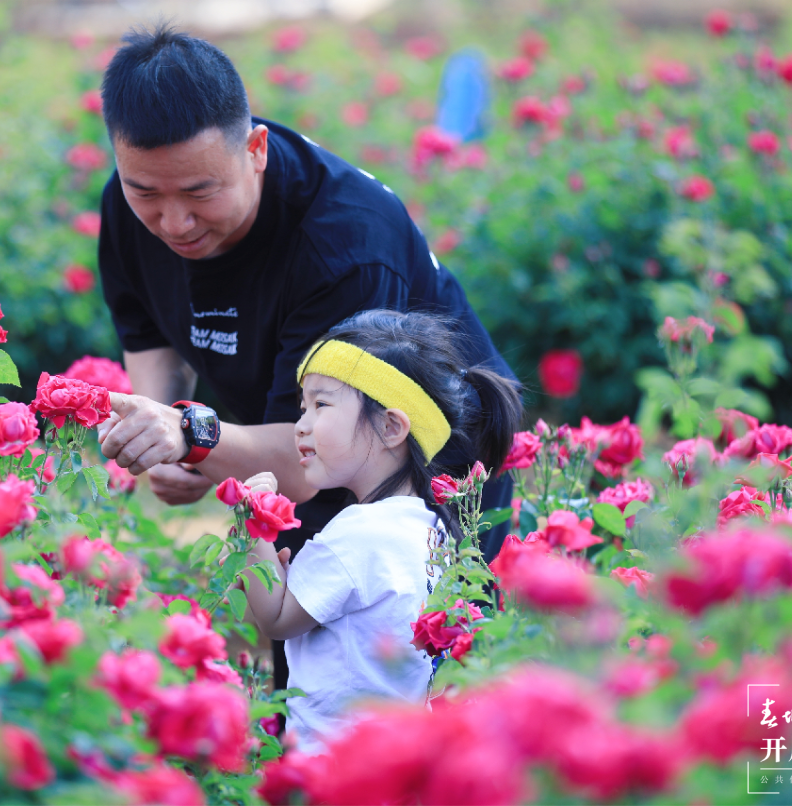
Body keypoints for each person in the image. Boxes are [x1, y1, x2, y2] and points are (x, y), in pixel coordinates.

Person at [92, 23, 519, 690]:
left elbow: (314, 461)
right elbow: (145, 328)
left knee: (408, 699)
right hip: (307, 447)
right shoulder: (127, 208)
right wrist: (162, 430)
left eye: (200, 192)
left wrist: (193, 436)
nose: (173, 221)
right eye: (146, 191)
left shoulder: (343, 245)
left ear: (255, 150)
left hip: (421, 490)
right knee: (310, 699)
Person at [233, 309, 522, 752]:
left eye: (322, 404)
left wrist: (253, 523)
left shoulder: (358, 535)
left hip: (329, 766)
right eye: (303, 406)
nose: (301, 424)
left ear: (390, 427)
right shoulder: (432, 531)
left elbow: (275, 620)